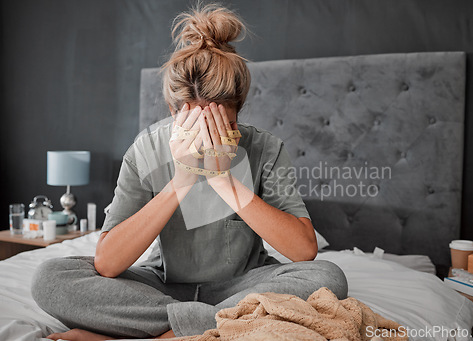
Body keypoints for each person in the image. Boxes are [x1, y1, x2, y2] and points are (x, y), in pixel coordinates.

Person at [31, 4, 348, 340]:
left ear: (238, 111)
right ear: (173, 112)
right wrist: (182, 178)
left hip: (243, 285)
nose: (209, 139)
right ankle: (215, 327)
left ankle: (163, 335)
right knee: (50, 277)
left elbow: (303, 251)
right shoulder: (146, 149)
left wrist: (223, 180)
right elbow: (108, 263)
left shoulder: (266, 149)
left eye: (221, 126)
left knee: (328, 277)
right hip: (162, 286)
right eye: (197, 127)